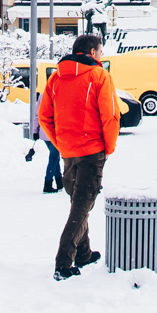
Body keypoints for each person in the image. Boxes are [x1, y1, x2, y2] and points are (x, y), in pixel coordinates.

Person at [38, 34, 121, 280]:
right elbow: (111, 115)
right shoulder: (99, 76)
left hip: (68, 152)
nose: (102, 56)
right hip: (91, 150)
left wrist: (61, 142)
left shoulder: (55, 77)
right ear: (92, 53)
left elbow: (44, 117)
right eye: (101, 51)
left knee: (78, 203)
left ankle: (83, 253)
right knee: (82, 206)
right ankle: (63, 263)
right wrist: (108, 147)